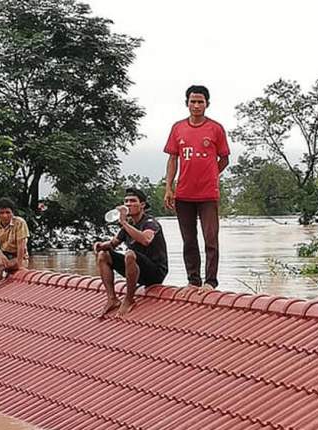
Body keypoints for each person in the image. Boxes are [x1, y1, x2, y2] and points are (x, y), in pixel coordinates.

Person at [163, 84, 230, 289]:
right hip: (184, 193)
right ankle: (193, 280)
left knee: (211, 238)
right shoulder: (178, 128)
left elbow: (225, 159)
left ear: (207, 104)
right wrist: (169, 188)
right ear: (187, 103)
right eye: (193, 101)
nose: (196, 105)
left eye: (200, 101)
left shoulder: (215, 128)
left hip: (208, 194)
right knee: (188, 240)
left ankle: (210, 282)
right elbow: (172, 159)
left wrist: (211, 174)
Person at [93, 188, 169, 316]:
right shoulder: (127, 226)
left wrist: (123, 223)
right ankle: (112, 299)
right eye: (126, 201)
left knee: (129, 254)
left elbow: (146, 240)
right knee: (103, 255)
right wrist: (100, 245)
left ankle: (129, 299)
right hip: (135, 267)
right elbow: (113, 244)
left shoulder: (150, 223)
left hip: (155, 272)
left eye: (133, 201)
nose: (128, 204)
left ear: (142, 205)